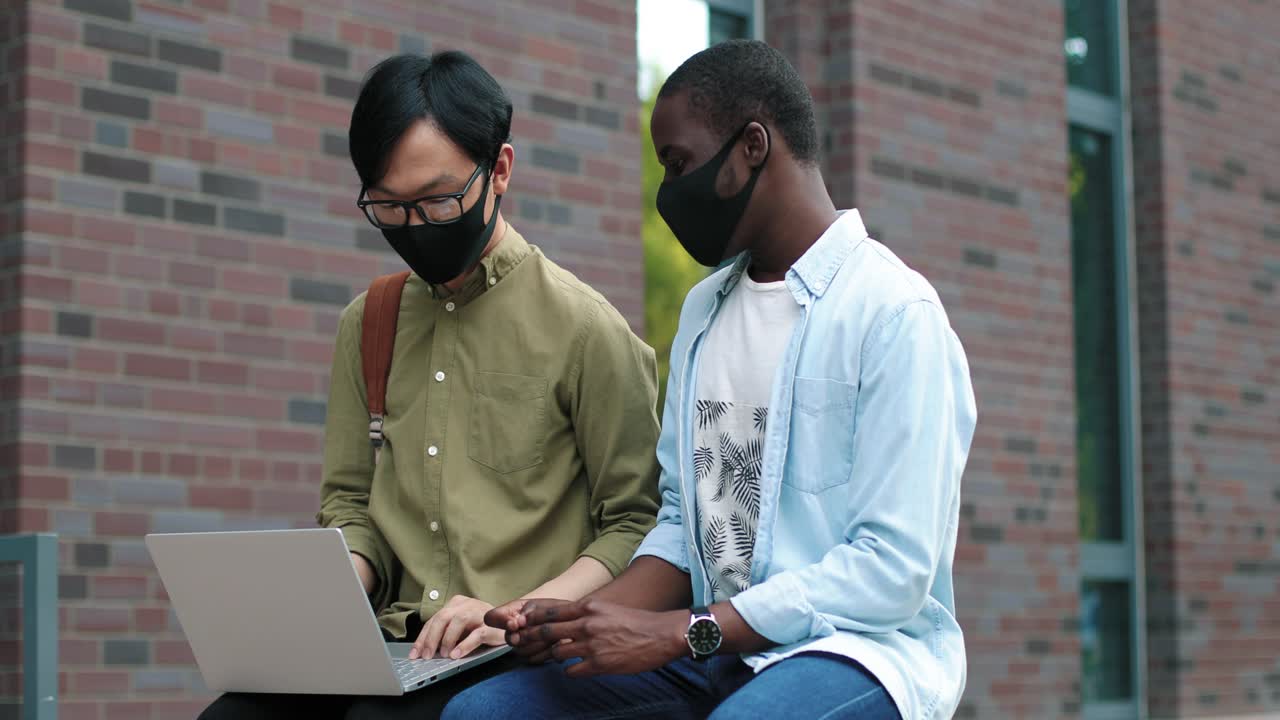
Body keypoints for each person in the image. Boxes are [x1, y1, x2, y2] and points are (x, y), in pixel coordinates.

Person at [442, 39, 978, 720]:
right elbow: (682, 523)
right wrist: (581, 618)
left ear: (753, 145)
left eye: (679, 163)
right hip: (714, 652)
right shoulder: (704, 313)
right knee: (484, 712)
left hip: (860, 651)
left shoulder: (894, 313)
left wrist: (683, 630)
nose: (669, 191)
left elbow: (891, 570)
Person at [198, 51, 662, 720]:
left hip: (511, 649)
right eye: (388, 207)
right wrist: (317, 598)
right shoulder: (371, 322)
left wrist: (521, 615)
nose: (415, 227)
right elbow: (350, 505)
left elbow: (635, 523)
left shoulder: (587, 330)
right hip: (391, 641)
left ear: (499, 170)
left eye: (439, 200)